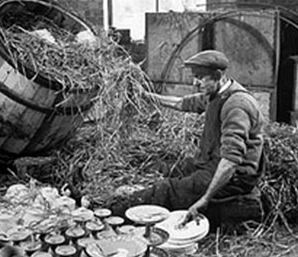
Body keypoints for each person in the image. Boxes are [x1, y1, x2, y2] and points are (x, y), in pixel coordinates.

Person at [111, 50, 267, 228]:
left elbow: (231, 161)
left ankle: (112, 213)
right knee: (167, 166)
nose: (195, 82)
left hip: (233, 177)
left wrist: (205, 198)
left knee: (166, 191)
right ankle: (139, 194)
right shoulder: (216, 95)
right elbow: (181, 103)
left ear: (217, 75)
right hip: (211, 162)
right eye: (195, 77)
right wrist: (145, 96)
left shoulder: (236, 105)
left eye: (200, 77)